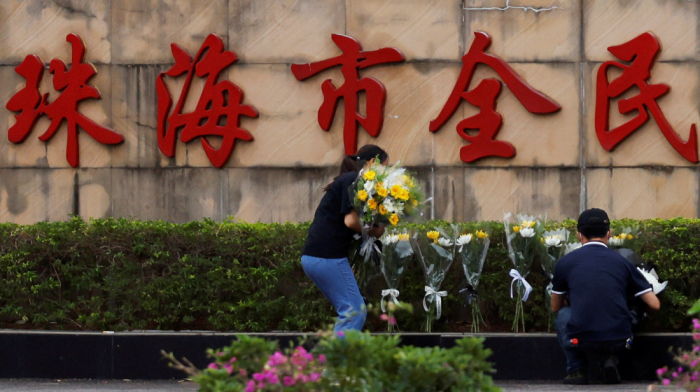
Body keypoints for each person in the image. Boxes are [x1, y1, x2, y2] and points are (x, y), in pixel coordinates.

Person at [551, 208, 660, 385]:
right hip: (621, 341)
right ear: (609, 233)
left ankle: (576, 370)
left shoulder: (566, 262)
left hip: (580, 340)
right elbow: (655, 304)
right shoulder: (624, 262)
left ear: (579, 235)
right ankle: (609, 360)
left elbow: (555, 307)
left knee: (563, 315)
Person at [301, 145, 388, 332]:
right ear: (372, 162)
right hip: (326, 256)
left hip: (319, 256)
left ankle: (335, 357)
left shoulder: (348, 179)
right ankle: (337, 360)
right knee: (354, 311)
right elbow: (350, 221)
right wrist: (375, 230)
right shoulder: (354, 179)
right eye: (384, 167)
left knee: (351, 310)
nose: (385, 173)